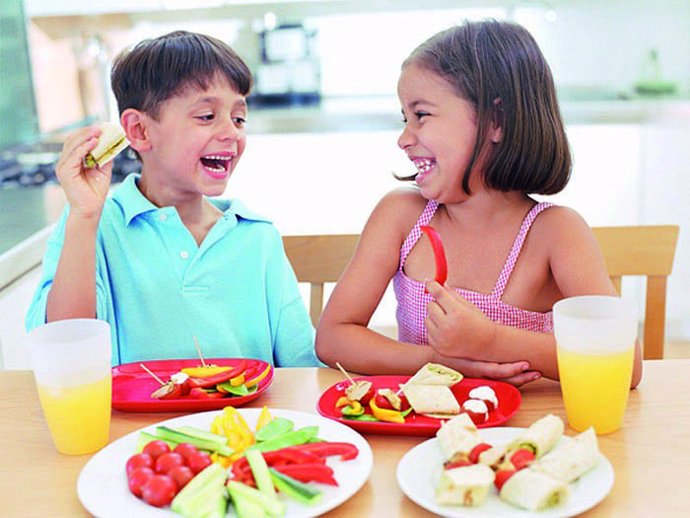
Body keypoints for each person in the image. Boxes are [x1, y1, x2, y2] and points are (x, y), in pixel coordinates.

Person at [315, 20, 642, 387]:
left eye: (421, 115)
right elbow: (334, 337)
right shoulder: (402, 217)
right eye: (404, 118)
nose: (404, 138)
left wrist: (491, 341)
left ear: (495, 121)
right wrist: (440, 361)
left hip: (524, 436)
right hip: (424, 435)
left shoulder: (554, 232)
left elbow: (627, 365)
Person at [26, 31, 319, 367]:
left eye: (239, 118)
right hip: (130, 422)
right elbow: (67, 355)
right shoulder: (92, 224)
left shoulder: (257, 236)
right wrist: (84, 216)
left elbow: (301, 367)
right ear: (139, 131)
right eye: (207, 117)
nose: (231, 133)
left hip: (242, 421)